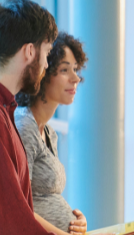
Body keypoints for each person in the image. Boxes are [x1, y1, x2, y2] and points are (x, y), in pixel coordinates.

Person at [0, 0, 66, 235]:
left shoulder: (0, 110)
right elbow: (10, 223)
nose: (46, 65)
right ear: (30, 51)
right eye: (47, 53)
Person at [15, 33, 89, 234]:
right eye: (64, 70)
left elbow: (46, 199)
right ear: (43, 72)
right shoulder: (24, 125)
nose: (75, 78)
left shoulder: (49, 133)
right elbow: (20, 207)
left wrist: (76, 222)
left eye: (75, 69)